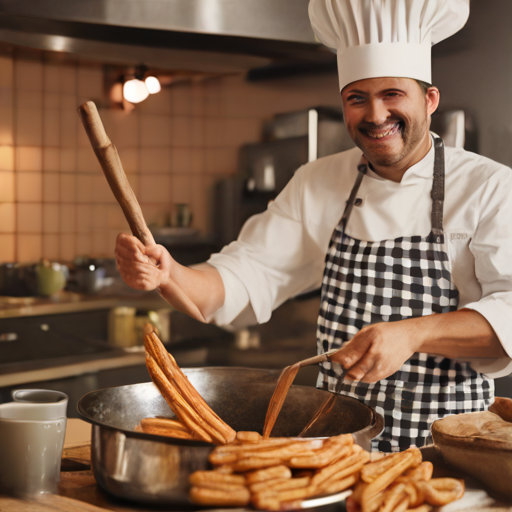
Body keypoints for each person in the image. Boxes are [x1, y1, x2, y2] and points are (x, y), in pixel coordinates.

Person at [115, 0, 512, 452]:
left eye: (392, 95)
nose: (376, 115)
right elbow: (246, 274)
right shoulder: (319, 182)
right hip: (334, 449)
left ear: (430, 99)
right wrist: (170, 274)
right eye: (357, 98)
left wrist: (414, 332)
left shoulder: (490, 186)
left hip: (451, 453)